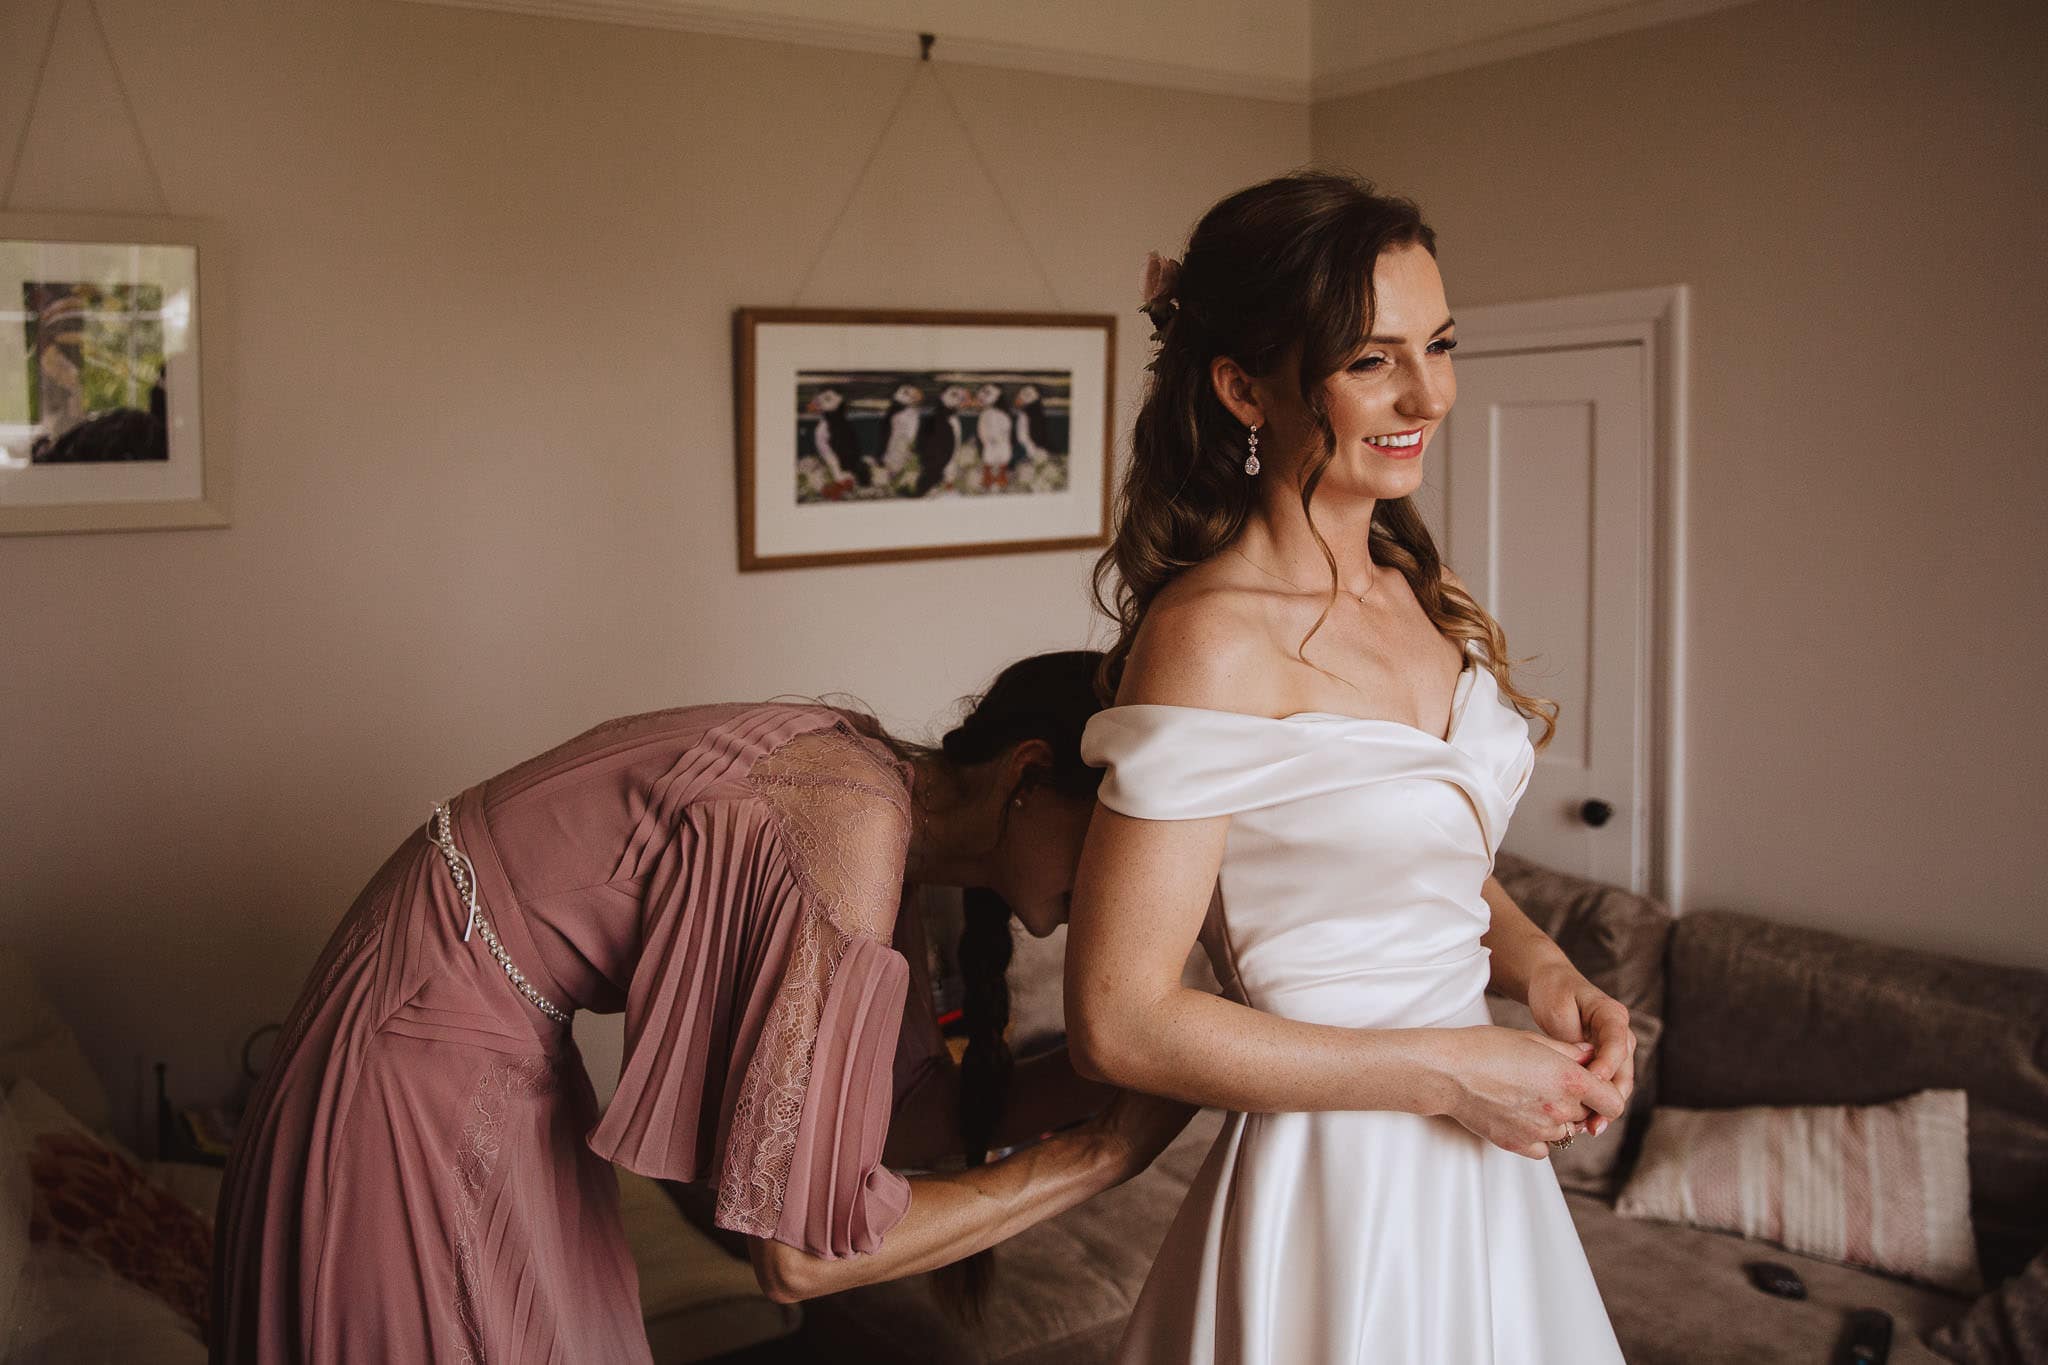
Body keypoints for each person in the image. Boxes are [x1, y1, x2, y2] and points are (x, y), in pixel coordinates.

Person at [211, 650, 1193, 1364]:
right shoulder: (846, 821)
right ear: (1028, 776)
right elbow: (797, 1258)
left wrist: (1116, 1070)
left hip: (466, 1032)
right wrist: (1096, 1157)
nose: (1136, 891)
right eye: (1126, 847)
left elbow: (900, 1117)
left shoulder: (881, 813)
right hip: (414, 1060)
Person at [1065, 171, 1634, 1363]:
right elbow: (1120, 1022)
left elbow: (1408, 855)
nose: (1427, 393)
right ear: (1242, 388)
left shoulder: (1409, 587)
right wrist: (1446, 1075)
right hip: (1339, 1189)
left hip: (1480, 1177)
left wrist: (1537, 964)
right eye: (1371, 360)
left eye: (1438, 343)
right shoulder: (1212, 637)